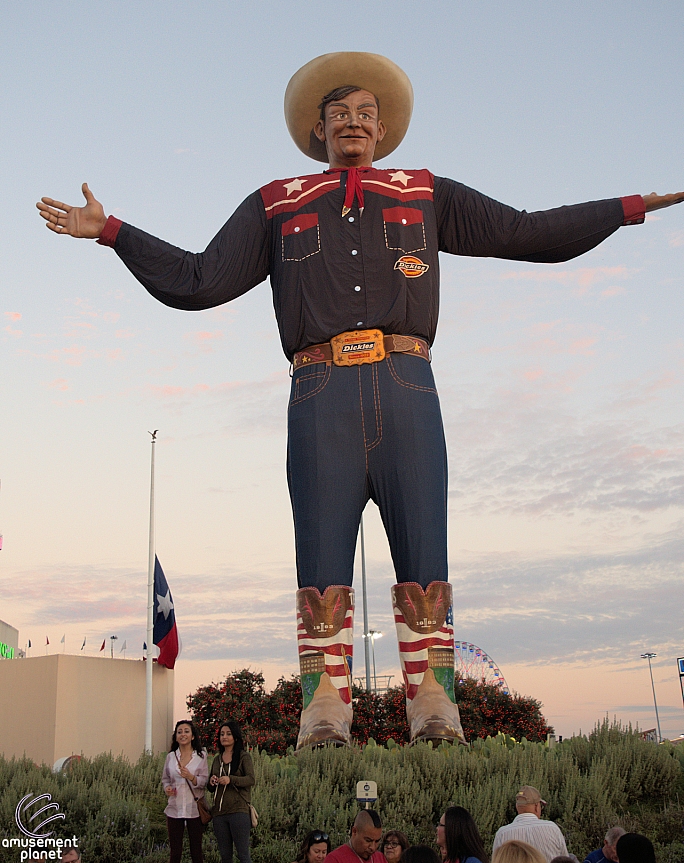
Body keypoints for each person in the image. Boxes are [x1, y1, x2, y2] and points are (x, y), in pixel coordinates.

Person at [36, 52, 684, 750]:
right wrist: (110, 232)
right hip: (320, 391)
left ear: (383, 128)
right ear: (317, 130)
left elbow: (522, 232)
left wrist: (625, 210)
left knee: (425, 552)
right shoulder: (277, 201)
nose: (354, 123)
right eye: (340, 114)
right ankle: (323, 715)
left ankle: (435, 709)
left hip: (409, 384)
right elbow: (199, 279)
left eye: (366, 114)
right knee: (319, 555)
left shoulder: (426, 192)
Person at [161, 719, 209, 863]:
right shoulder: (171, 757)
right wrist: (167, 788)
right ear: (176, 736)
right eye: (179, 732)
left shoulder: (201, 756)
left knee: (196, 851)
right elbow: (165, 779)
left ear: (192, 736)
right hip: (174, 809)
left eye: (186, 731)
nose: (183, 735)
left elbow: (204, 781)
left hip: (194, 809)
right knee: (175, 852)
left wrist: (191, 777)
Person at [209, 719, 255, 863]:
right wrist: (212, 781)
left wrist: (231, 779)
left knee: (243, 854)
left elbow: (250, 779)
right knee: (225, 856)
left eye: (228, 734)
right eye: (222, 734)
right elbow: (210, 787)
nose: (224, 737)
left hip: (238, 811)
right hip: (219, 813)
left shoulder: (243, 757)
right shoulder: (217, 760)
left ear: (235, 737)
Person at [492, 787, 568, 863]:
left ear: (517, 807)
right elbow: (565, 860)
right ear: (536, 807)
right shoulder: (552, 828)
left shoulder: (502, 833)